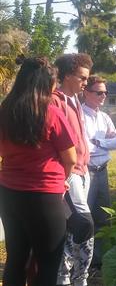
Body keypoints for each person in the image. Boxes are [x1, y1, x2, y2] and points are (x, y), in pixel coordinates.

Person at [0, 56, 76, 286]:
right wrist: (64, 179)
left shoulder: (3, 111)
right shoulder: (51, 112)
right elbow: (71, 158)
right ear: (46, 84)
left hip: (9, 192)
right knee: (48, 263)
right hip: (44, 195)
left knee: (16, 259)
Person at [52, 53, 95, 286]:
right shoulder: (55, 101)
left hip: (83, 171)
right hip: (69, 174)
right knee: (84, 223)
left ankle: (72, 277)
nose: (85, 82)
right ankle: (73, 278)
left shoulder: (76, 101)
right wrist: (66, 174)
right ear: (67, 75)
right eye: (82, 77)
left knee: (71, 228)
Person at [82, 75, 116, 267]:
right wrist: (102, 144)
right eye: (99, 92)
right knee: (84, 217)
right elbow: (84, 147)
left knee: (103, 216)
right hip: (86, 171)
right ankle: (82, 260)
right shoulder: (79, 115)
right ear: (86, 93)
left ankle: (98, 259)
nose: (103, 96)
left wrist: (100, 142)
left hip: (102, 171)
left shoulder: (104, 117)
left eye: (105, 92)